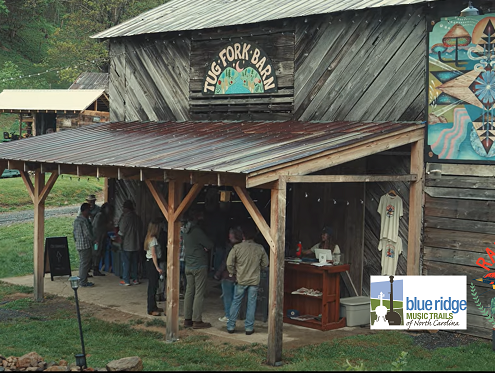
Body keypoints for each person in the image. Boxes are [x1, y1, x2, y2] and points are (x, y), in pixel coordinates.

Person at [226, 223, 269, 335]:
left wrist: (232, 273)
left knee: (236, 302)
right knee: (251, 303)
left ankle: (231, 326)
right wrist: (258, 268)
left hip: (240, 279)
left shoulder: (237, 248)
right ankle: (249, 328)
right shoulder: (260, 248)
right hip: (254, 280)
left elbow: (229, 263)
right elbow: (266, 264)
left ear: (243, 235)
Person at [183, 209, 214, 329]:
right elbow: (209, 244)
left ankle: (187, 319)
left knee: (189, 291)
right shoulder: (197, 231)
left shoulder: (184, 231)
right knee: (199, 293)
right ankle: (197, 320)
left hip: (188, 264)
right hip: (199, 264)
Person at [215, 227, 243, 323]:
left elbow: (226, 262)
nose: (229, 235)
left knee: (227, 297)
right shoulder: (243, 246)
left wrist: (218, 273)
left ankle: (229, 315)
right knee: (237, 297)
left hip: (228, 275)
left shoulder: (230, 247)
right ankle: (236, 315)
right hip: (239, 275)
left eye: (231, 233)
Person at [118, 200, 143, 286]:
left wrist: (118, 239)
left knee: (126, 262)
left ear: (125, 208)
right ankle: (135, 279)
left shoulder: (125, 218)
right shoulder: (137, 218)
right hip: (136, 244)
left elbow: (122, 231)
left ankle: (126, 280)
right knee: (135, 262)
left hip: (127, 244)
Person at [144, 220, 165, 316]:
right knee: (152, 287)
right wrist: (157, 267)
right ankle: (151, 308)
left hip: (149, 262)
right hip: (153, 263)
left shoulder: (148, 238)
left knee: (153, 286)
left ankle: (154, 306)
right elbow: (154, 254)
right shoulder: (153, 240)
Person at [73, 203, 95, 287]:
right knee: (85, 264)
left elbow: (74, 233)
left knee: (82, 263)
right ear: (85, 210)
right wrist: (94, 240)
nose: (90, 211)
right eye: (88, 210)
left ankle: (82, 279)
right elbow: (87, 234)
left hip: (79, 244)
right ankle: (83, 281)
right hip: (85, 245)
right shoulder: (84, 221)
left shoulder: (76, 220)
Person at [91, 203, 114, 276]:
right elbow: (97, 228)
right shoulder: (100, 216)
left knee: (98, 252)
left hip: (99, 238)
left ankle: (95, 267)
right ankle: (95, 268)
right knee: (96, 252)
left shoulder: (102, 216)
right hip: (97, 239)